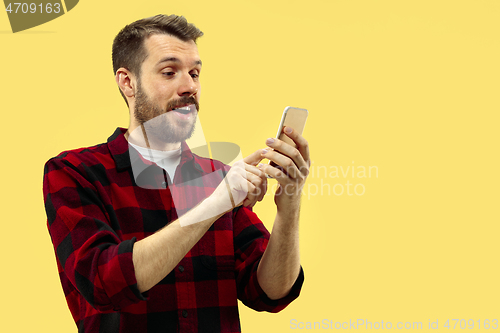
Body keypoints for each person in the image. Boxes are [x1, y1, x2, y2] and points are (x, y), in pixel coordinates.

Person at [43, 14, 310, 333]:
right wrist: (216, 202)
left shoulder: (221, 177)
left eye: (195, 73)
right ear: (128, 82)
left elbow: (270, 291)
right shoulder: (74, 172)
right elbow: (104, 282)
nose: (189, 87)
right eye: (169, 72)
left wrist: (289, 205)